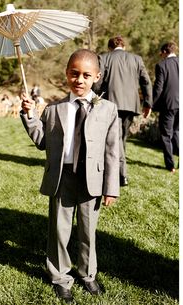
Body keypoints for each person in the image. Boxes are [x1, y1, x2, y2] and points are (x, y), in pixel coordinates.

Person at [20, 49, 120, 304]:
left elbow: (112, 151)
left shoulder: (108, 109)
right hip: (61, 180)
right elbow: (43, 142)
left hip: (92, 182)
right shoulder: (54, 110)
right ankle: (60, 278)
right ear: (66, 74)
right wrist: (30, 117)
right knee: (59, 231)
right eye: (74, 74)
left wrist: (112, 187)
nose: (80, 80)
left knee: (88, 232)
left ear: (97, 77)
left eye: (86, 75)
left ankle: (88, 274)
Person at [93, 36, 152, 186]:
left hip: (111, 103)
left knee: (116, 139)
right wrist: (148, 103)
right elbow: (146, 81)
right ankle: (119, 172)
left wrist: (95, 98)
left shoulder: (104, 57)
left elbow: (98, 81)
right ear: (124, 46)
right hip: (131, 105)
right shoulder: (137, 59)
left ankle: (120, 175)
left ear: (109, 47)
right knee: (121, 138)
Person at [152, 42, 179, 173]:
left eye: (161, 53)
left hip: (168, 105)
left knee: (166, 135)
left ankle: (170, 165)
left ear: (164, 51)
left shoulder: (161, 65)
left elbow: (158, 87)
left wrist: (151, 103)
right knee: (177, 132)